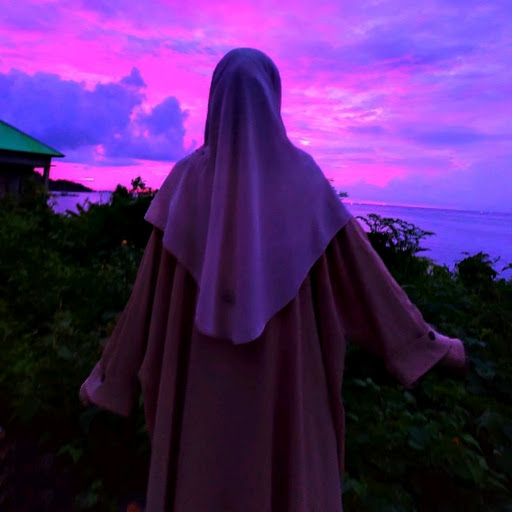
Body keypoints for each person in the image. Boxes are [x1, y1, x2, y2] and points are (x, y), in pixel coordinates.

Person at [80, 48, 467, 512]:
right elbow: (367, 282)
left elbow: (144, 300)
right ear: (273, 99)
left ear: (215, 101)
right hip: (287, 391)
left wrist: (110, 377)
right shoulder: (304, 181)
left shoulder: (184, 182)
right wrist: (428, 344)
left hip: (198, 401)